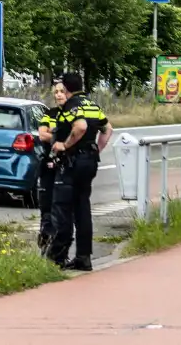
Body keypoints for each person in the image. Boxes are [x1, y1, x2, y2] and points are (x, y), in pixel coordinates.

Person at [46, 72, 111, 271]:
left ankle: (57, 258)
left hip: (72, 162)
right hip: (89, 161)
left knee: (62, 208)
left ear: (66, 88)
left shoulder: (71, 105)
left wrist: (64, 145)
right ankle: (84, 257)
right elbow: (107, 129)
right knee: (82, 209)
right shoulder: (92, 105)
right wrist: (96, 150)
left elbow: (80, 126)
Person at [35, 82, 67, 252]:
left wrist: (54, 135)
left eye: (62, 91)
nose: (59, 95)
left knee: (61, 205)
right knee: (46, 203)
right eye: (56, 92)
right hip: (48, 164)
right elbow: (42, 135)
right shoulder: (50, 113)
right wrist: (60, 138)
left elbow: (76, 134)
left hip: (65, 165)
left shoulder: (72, 114)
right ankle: (45, 236)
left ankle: (59, 247)